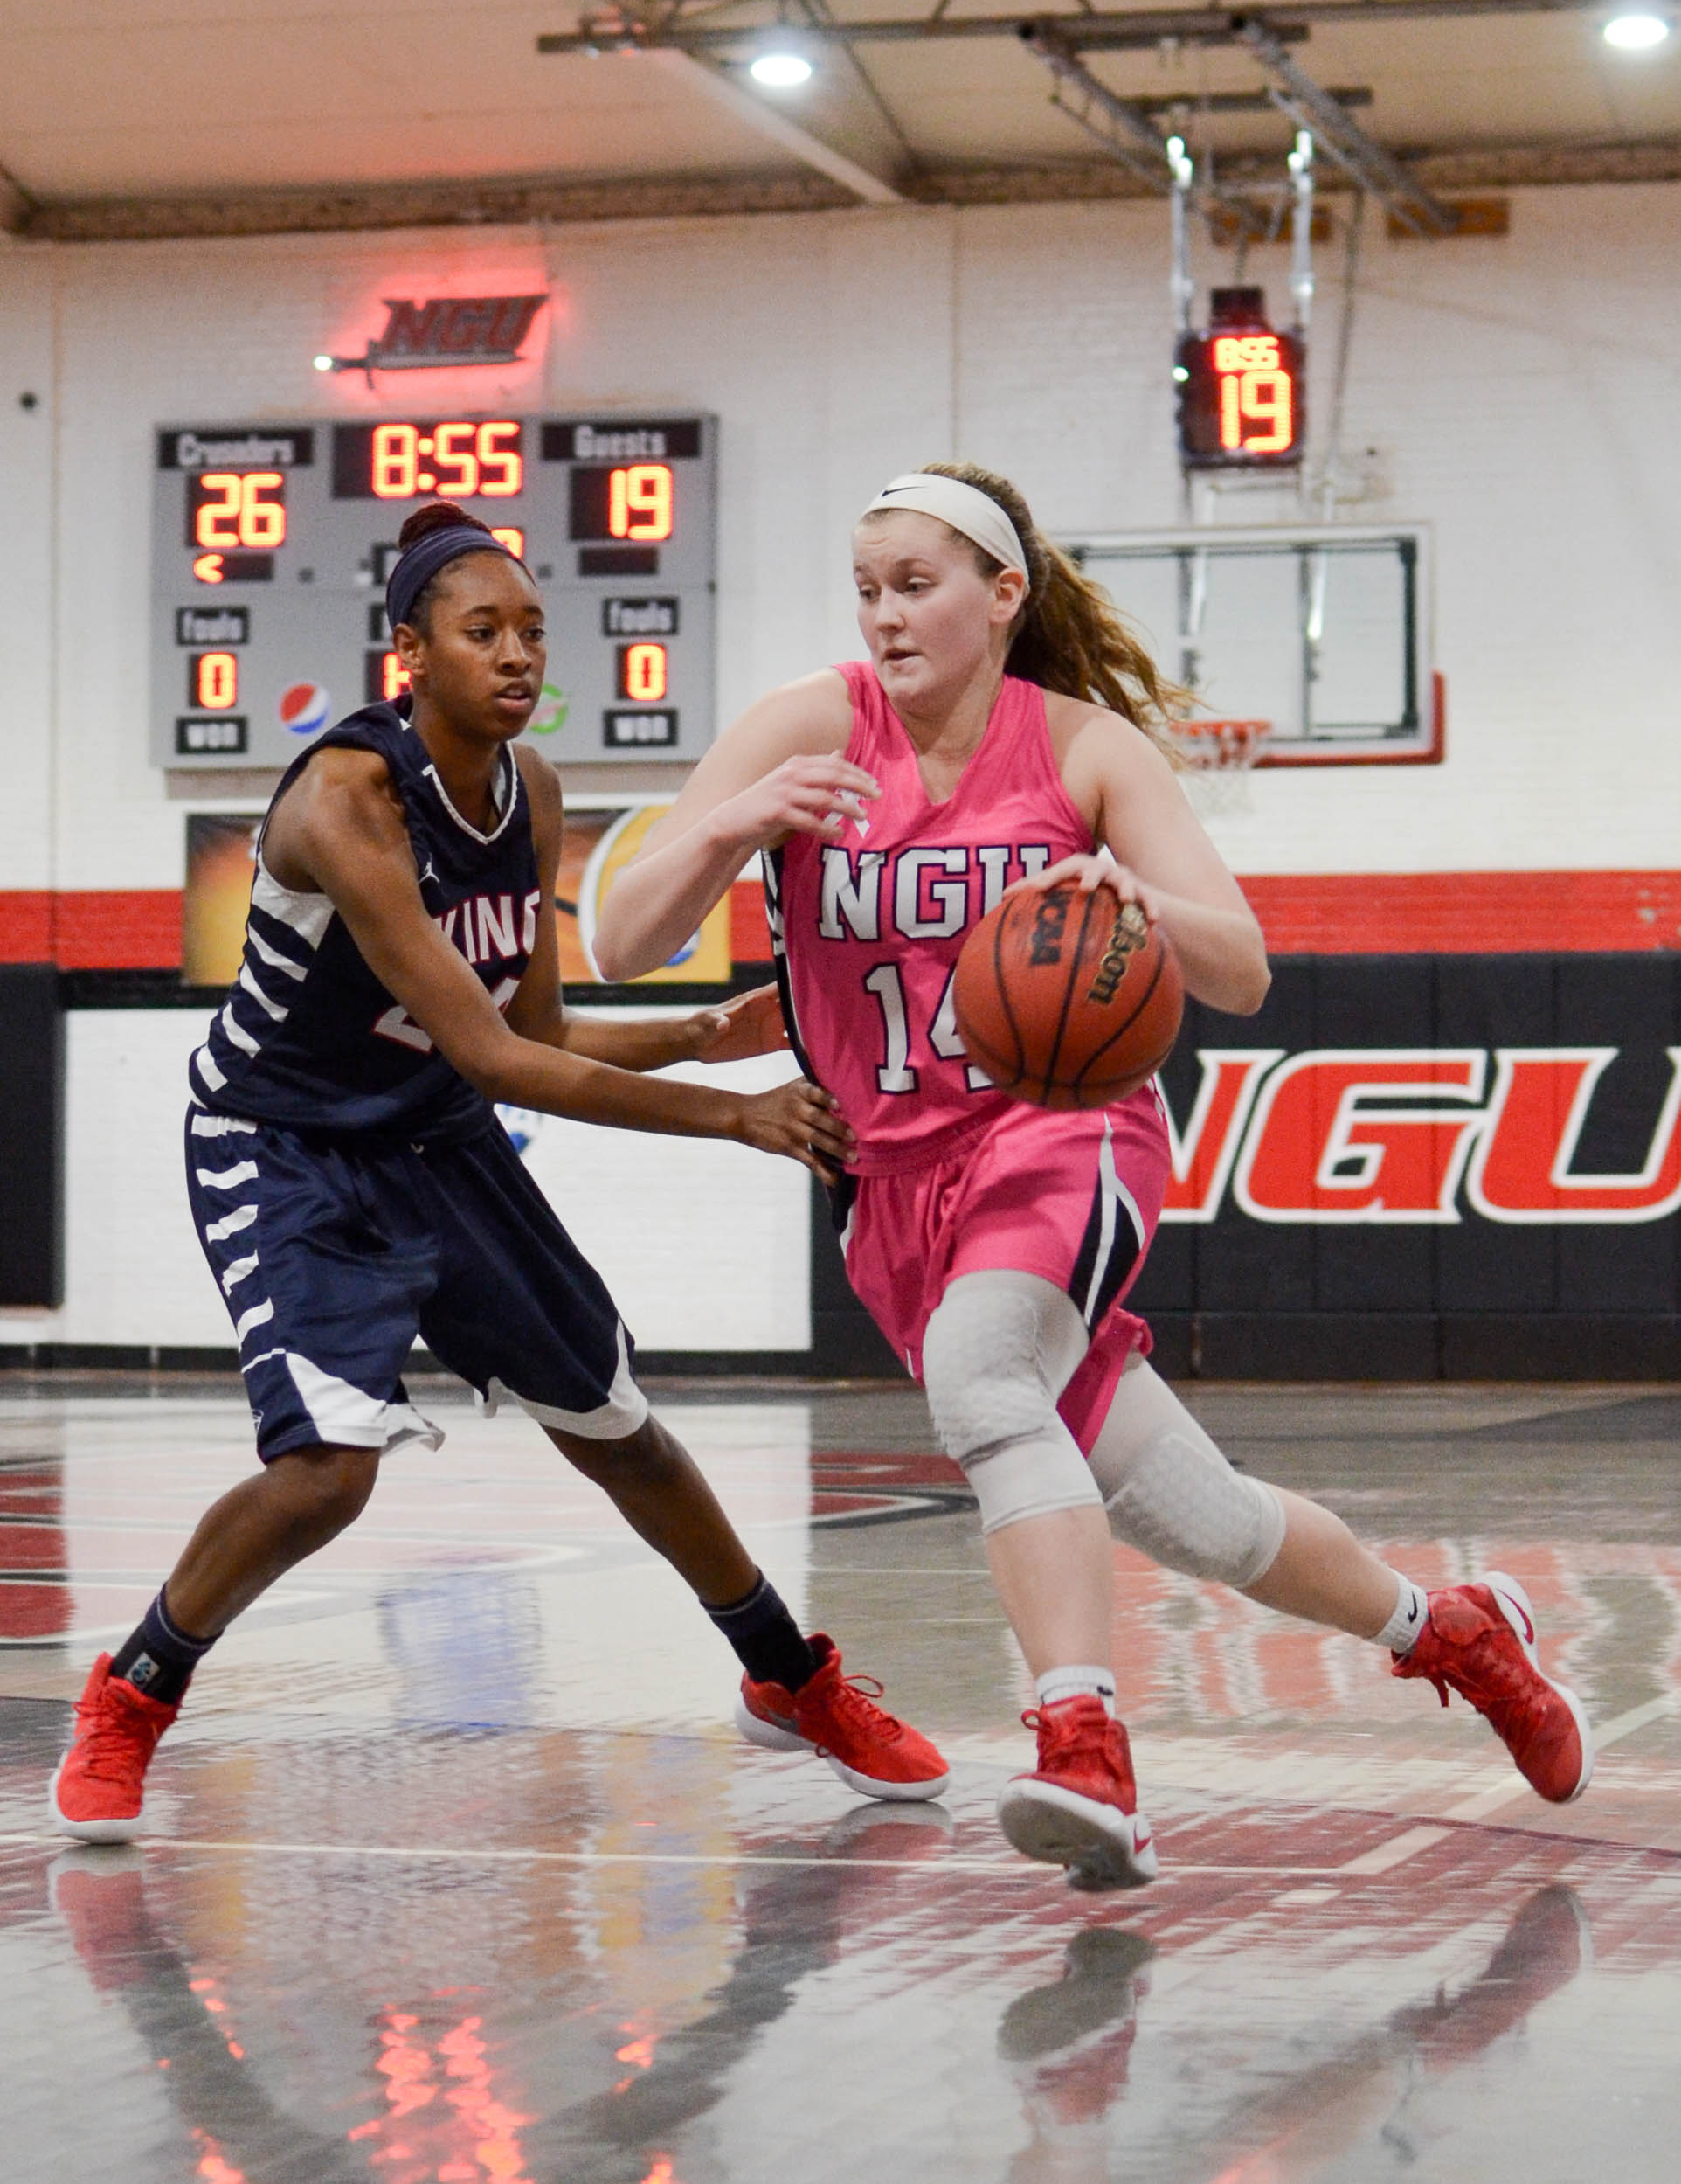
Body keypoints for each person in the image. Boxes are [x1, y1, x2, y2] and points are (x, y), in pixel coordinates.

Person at [592, 461, 1595, 1891]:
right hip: (890, 1185)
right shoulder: (808, 727)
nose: (883, 615)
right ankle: (1453, 1632)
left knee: (985, 1379)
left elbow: (1239, 966)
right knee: (1205, 1518)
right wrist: (726, 828)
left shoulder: (1084, 749)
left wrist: (1145, 905)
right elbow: (626, 938)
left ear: (1004, 595)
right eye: (867, 588)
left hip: (1065, 1133)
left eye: (916, 585)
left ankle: (1084, 1742)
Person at [50, 501, 946, 1843]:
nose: (519, 654)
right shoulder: (346, 799)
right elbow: (501, 1060)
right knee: (324, 1474)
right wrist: (731, 1113)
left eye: (533, 629)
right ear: (409, 652)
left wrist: (701, 1029)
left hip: (438, 1135)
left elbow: (535, 1032)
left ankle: (789, 1673)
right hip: (288, 1143)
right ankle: (133, 1689)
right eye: (484, 632)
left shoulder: (530, 791)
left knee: (618, 1428)